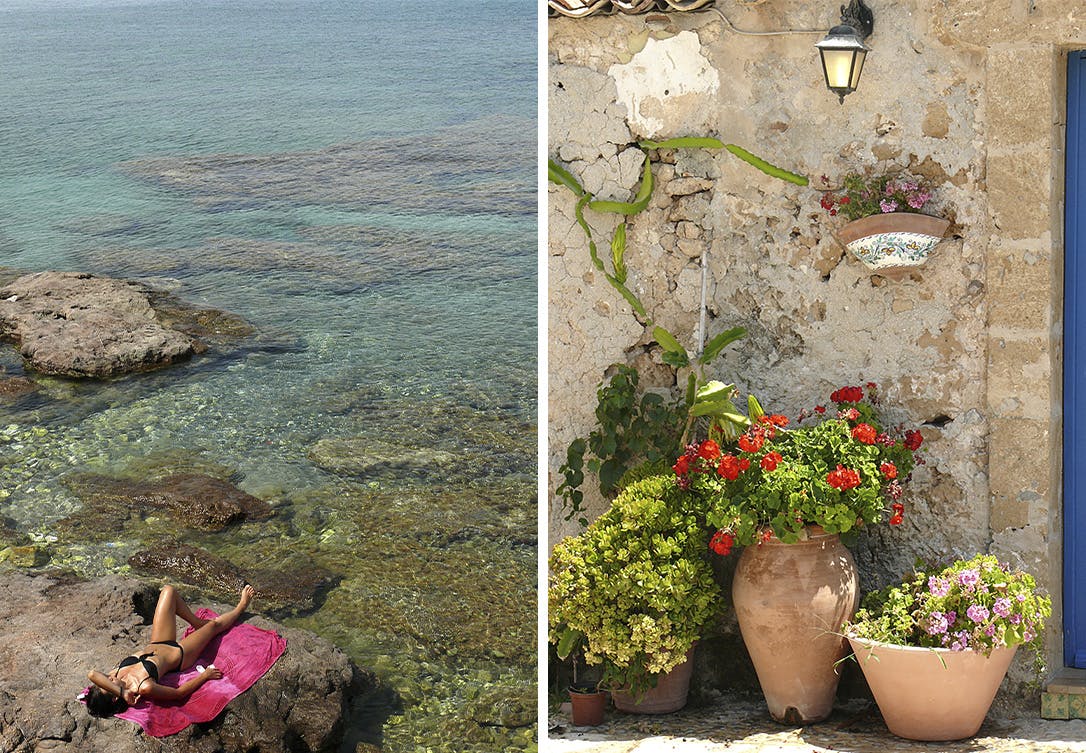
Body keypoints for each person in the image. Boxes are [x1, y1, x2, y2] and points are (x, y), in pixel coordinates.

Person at [85, 582, 255, 718]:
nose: (110, 677)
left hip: (159, 640)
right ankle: (241, 606)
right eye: (110, 684)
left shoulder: (117, 674)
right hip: (180, 654)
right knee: (213, 626)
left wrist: (121, 690)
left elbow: (92, 674)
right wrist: (205, 676)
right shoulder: (144, 687)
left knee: (168, 590)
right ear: (115, 698)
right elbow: (178, 693)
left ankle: (196, 622)